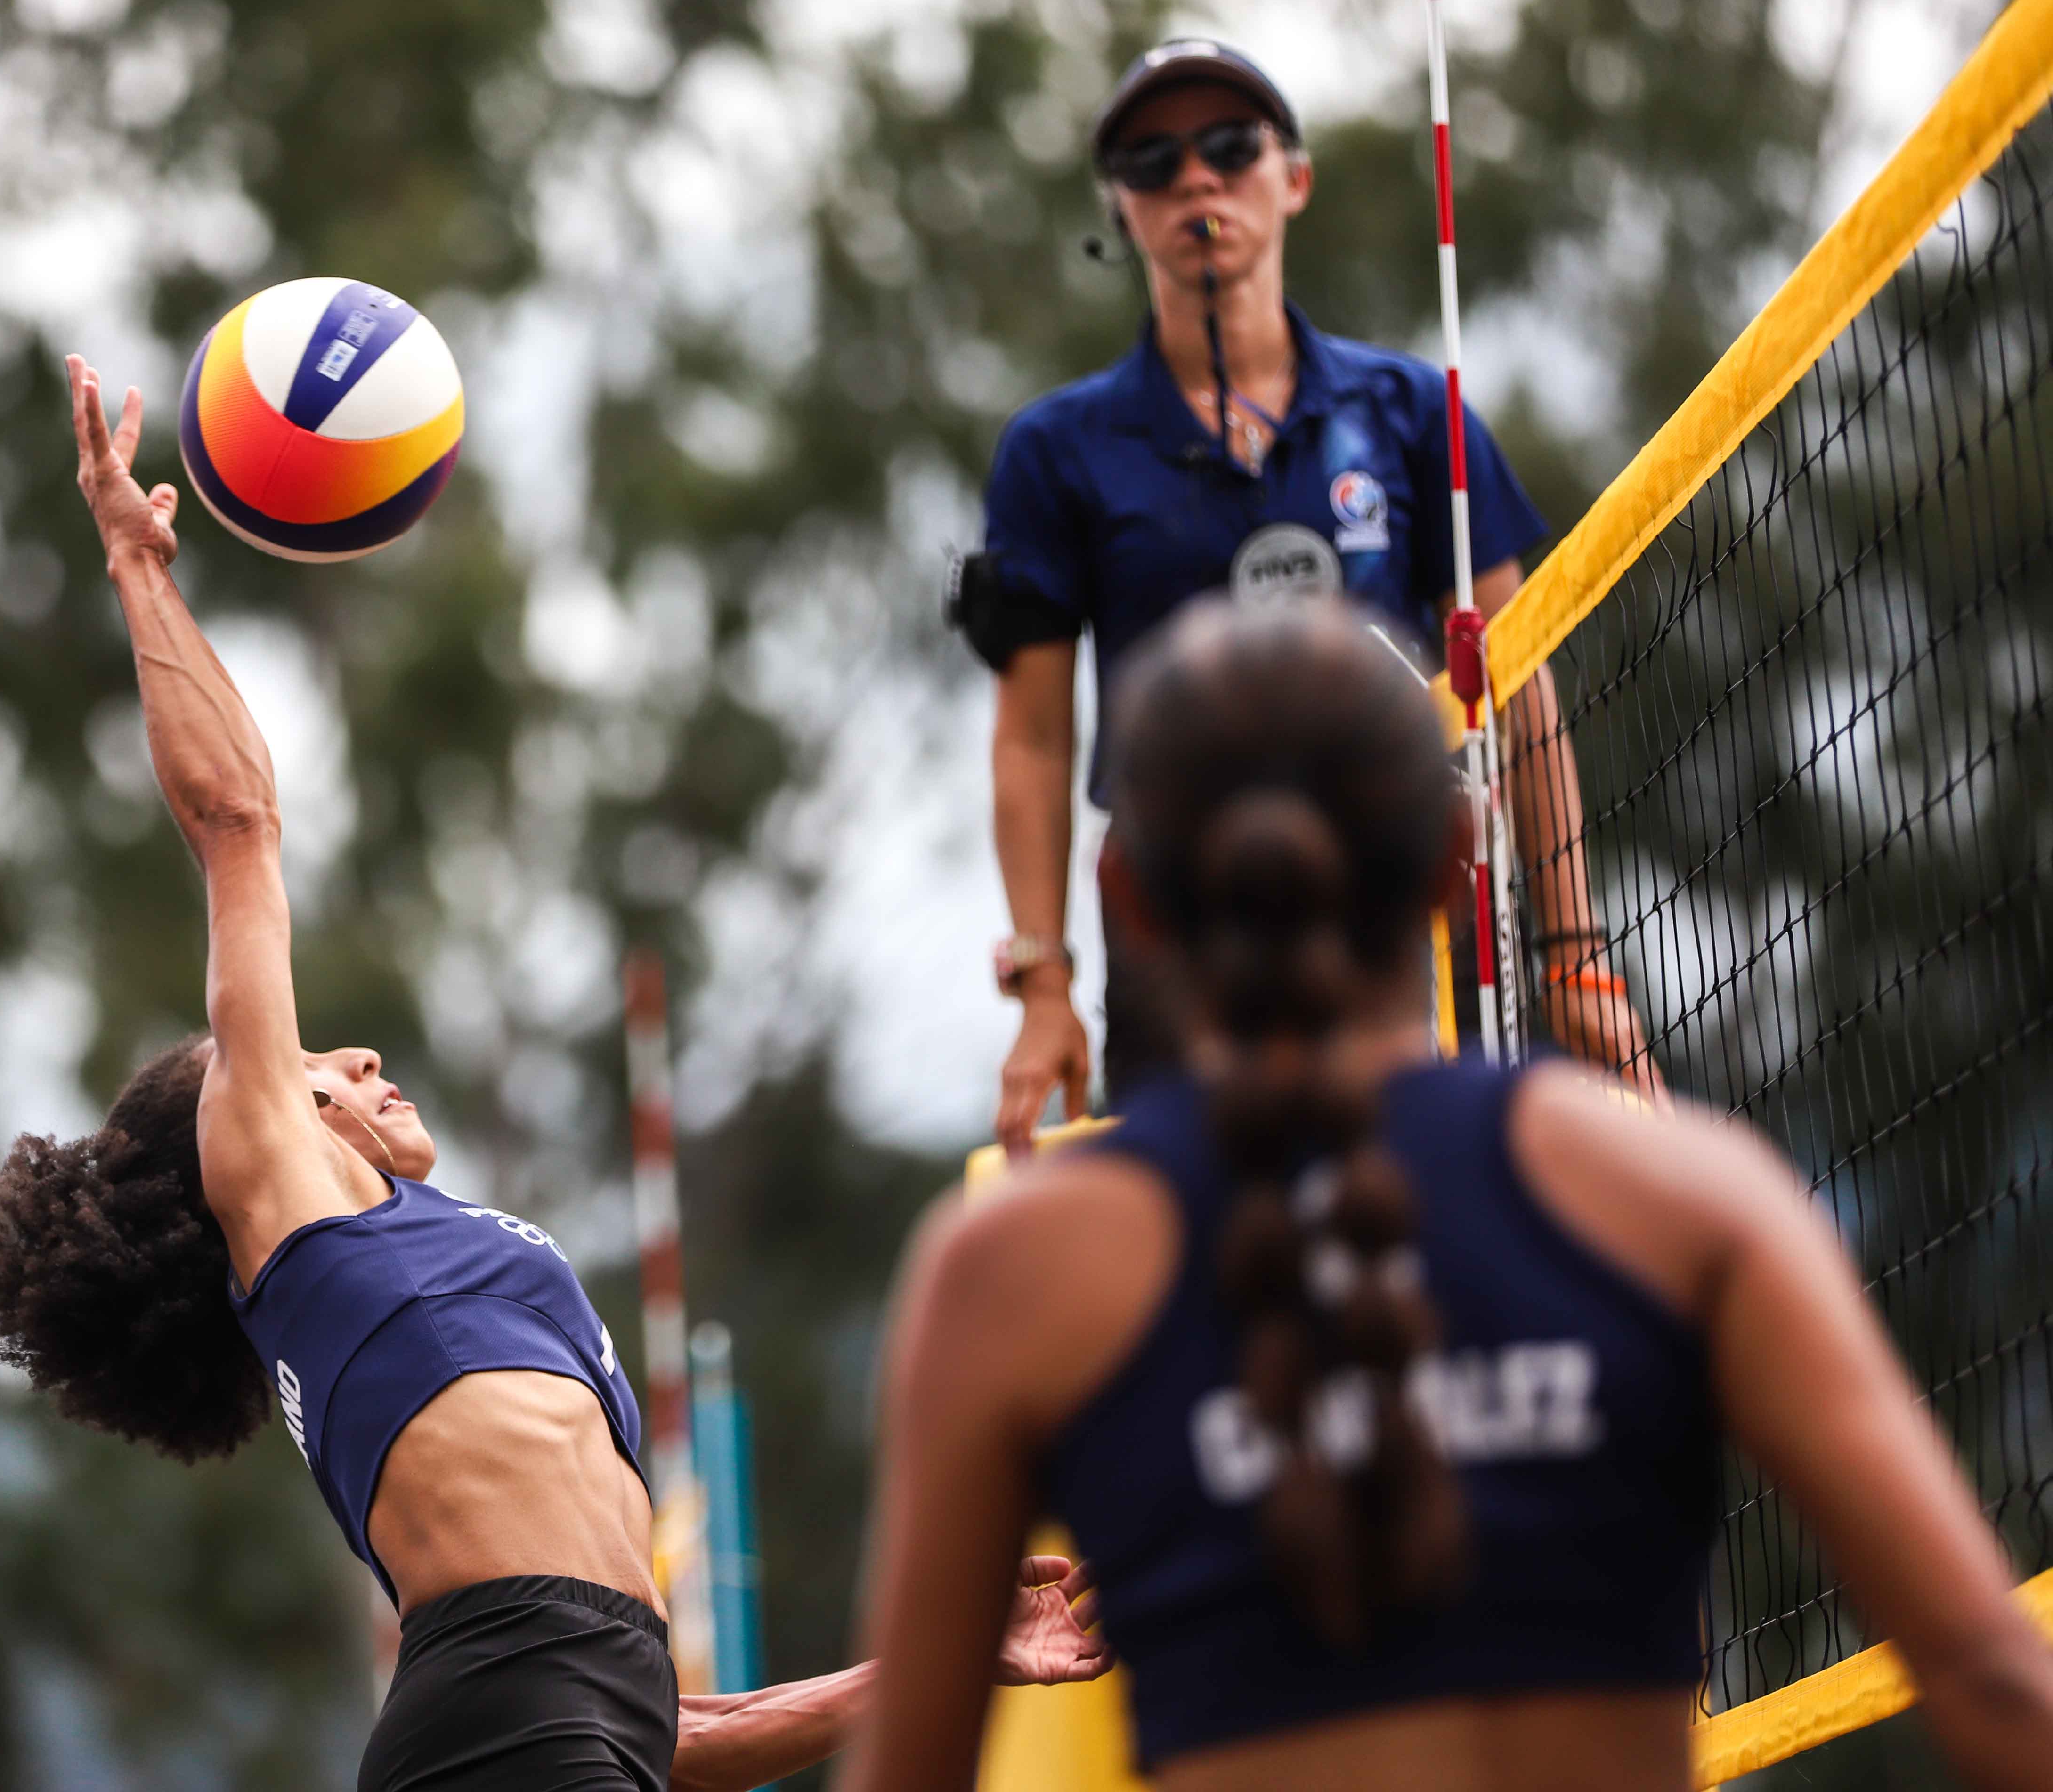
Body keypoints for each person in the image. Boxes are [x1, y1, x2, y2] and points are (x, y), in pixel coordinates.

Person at [0, 359, 1108, 1792]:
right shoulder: (285, 1207)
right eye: (310, 1062)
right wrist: (139, 566)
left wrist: (947, 1658)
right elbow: (239, 821)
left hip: (549, 1733)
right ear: (248, 1134)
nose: (356, 1057)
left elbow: (662, 1727)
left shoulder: (436, 1285)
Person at [842, 599, 2053, 1792]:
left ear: (1126, 896)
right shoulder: (1679, 1193)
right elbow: (1998, 1688)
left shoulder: (1012, 1273)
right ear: (1455, 853)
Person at [948, 37, 1652, 1145]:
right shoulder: (1056, 450)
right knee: (1205, 1214)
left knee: (1423, 1185)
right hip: (1176, 914)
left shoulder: (1414, 412)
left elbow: (1521, 682)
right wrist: (1044, 988)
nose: (1197, 180)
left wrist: (1572, 951)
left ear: (1294, 177)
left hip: (1396, 891)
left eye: (1232, 147)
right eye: (1154, 161)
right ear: (1121, 206)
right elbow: (1032, 739)